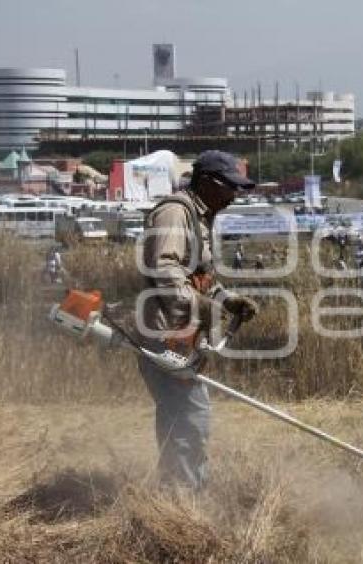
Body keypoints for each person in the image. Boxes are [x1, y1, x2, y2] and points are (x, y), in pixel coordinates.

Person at [138, 150, 259, 490]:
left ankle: (178, 494)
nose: (234, 196)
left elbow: (196, 275)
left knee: (185, 418)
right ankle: (183, 504)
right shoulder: (176, 213)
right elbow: (164, 270)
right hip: (165, 336)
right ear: (206, 182)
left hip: (182, 336)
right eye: (229, 187)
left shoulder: (199, 215)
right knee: (190, 419)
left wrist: (226, 300)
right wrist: (201, 306)